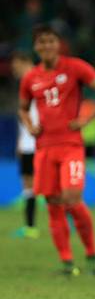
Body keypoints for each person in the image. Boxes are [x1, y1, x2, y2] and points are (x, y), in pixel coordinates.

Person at [18, 24, 95, 275]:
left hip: (70, 146)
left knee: (72, 199)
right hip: (44, 148)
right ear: (35, 47)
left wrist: (87, 119)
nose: (46, 46)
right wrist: (30, 125)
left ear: (59, 44)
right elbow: (21, 106)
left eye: (51, 41)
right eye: (41, 42)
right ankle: (66, 261)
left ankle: (92, 255)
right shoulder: (31, 77)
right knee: (52, 203)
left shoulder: (75, 67)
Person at [11, 51, 39, 239]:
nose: (15, 71)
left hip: (40, 143)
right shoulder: (25, 85)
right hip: (28, 144)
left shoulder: (39, 82)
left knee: (53, 187)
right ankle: (30, 228)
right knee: (28, 186)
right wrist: (20, 142)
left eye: (17, 67)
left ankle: (69, 221)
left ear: (26, 62)